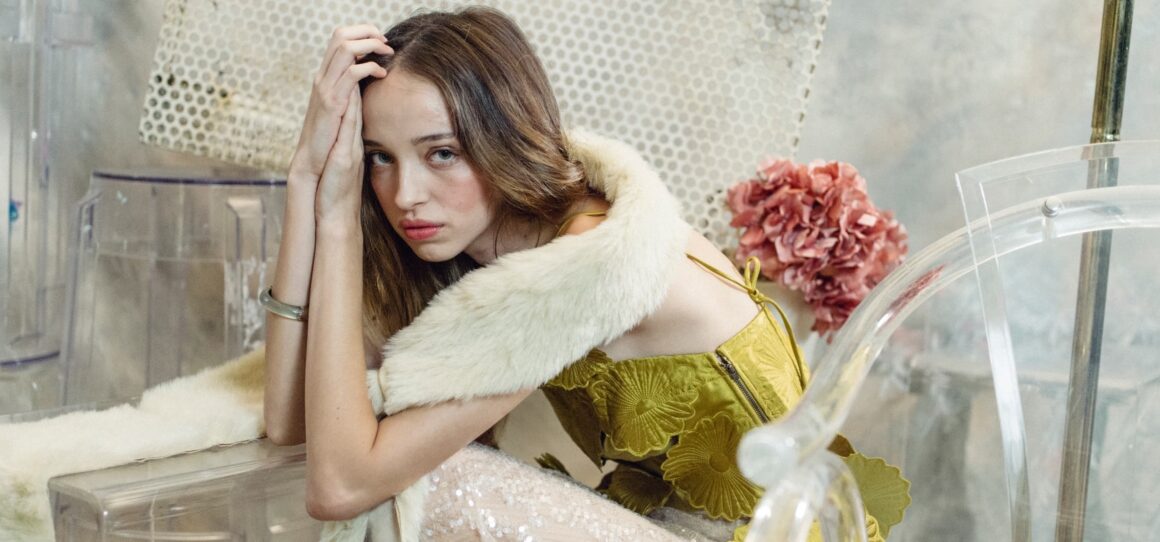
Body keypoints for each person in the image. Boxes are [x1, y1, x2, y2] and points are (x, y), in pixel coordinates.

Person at [262, 7, 906, 541]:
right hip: (678, 526)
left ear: (504, 139)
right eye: (378, 158)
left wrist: (337, 216)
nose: (406, 195)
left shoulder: (584, 264)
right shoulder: (487, 245)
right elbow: (293, 430)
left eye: (443, 153)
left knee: (435, 478)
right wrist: (304, 177)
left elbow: (340, 485)